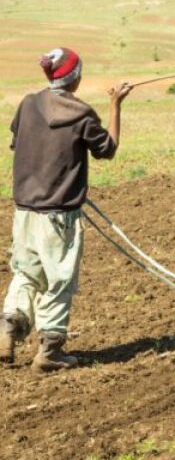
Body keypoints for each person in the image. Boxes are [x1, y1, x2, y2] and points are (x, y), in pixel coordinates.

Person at [0, 47, 131, 373]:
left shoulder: (28, 104)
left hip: (25, 211)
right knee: (59, 280)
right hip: (59, 216)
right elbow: (108, 150)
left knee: (26, 273)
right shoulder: (82, 114)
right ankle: (50, 352)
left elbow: (18, 143)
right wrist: (115, 106)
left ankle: (6, 333)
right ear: (76, 78)